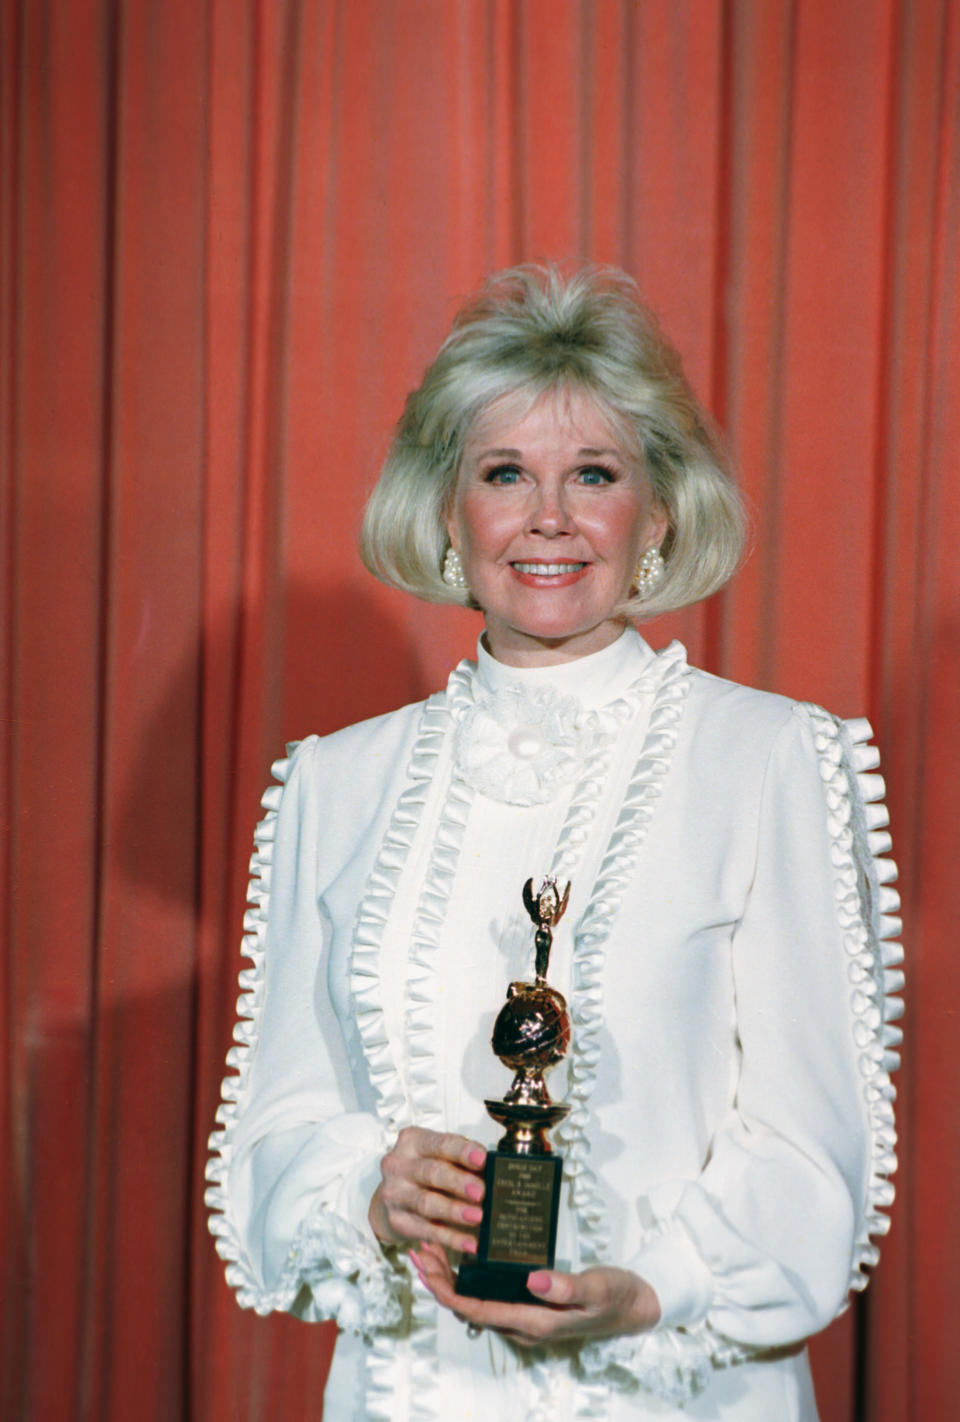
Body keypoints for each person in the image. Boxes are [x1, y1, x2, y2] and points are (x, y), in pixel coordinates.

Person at [206, 267, 902, 1420]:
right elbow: (278, 1130)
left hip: (679, 1383)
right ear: (445, 510)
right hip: (409, 1387)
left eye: (594, 474)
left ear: (660, 512)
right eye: (503, 474)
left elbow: (809, 1144)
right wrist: (372, 1198)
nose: (549, 519)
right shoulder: (336, 781)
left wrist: (647, 1290)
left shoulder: (774, 759)